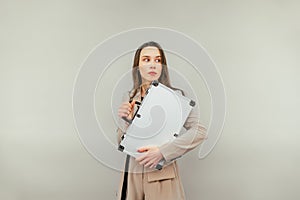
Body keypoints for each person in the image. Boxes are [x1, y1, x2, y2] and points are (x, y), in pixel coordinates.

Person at [116, 41, 206, 200]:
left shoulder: (177, 97)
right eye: (146, 59)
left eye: (158, 60)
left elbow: (199, 131)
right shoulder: (130, 97)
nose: (152, 65)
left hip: (162, 176)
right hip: (133, 175)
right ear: (137, 66)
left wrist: (163, 153)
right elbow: (121, 143)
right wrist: (126, 121)